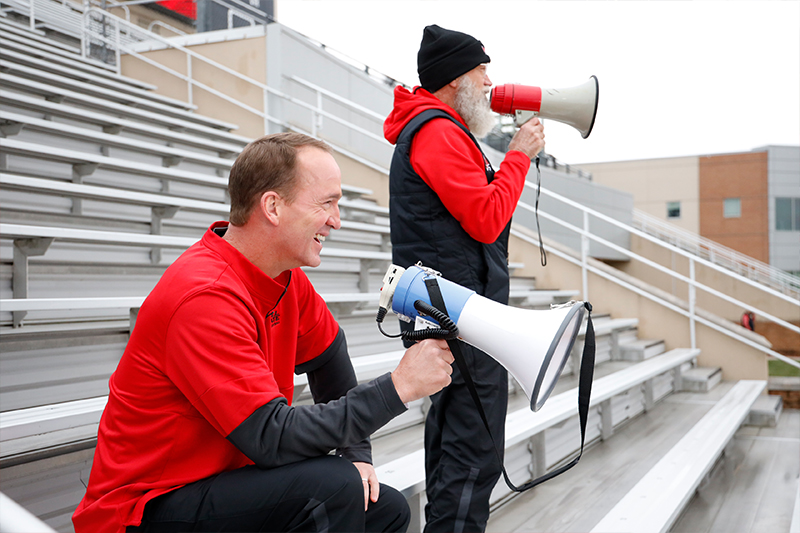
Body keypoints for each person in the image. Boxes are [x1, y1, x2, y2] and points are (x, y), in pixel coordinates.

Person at [72, 132, 455, 533]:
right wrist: (398, 387)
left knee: (383, 507)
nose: (336, 220)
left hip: (220, 485)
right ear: (272, 206)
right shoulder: (204, 294)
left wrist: (356, 452)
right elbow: (271, 437)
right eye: (327, 203)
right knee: (334, 488)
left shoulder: (284, 276)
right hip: (143, 508)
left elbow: (329, 360)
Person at [383, 25, 546, 533]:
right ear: (456, 79)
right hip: (460, 317)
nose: (489, 82)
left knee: (456, 446)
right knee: (472, 453)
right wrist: (518, 155)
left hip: (454, 312)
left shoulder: (438, 130)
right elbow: (486, 218)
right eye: (481, 71)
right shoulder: (436, 132)